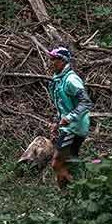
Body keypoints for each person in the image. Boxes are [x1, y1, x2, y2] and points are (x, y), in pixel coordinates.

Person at [47, 46, 93, 187]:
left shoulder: (71, 80)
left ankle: (81, 186)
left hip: (74, 128)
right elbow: (62, 106)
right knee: (69, 162)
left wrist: (70, 117)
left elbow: (86, 102)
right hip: (68, 127)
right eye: (51, 59)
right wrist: (56, 122)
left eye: (54, 59)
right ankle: (70, 194)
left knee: (56, 163)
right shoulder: (58, 80)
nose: (51, 62)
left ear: (63, 61)